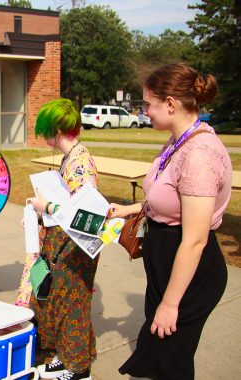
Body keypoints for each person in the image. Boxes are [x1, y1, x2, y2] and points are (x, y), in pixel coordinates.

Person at [111, 63, 231, 380]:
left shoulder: (199, 155)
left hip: (190, 272)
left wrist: (170, 304)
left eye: (148, 104)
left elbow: (194, 239)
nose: (145, 111)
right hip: (166, 263)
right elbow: (172, 197)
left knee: (170, 360)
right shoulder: (179, 142)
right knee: (156, 354)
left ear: (170, 103)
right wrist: (130, 209)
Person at [26, 99, 98, 380]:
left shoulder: (80, 164)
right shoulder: (72, 157)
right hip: (64, 242)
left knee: (73, 305)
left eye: (45, 131)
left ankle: (79, 369)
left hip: (75, 246)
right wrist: (39, 214)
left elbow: (86, 216)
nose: (43, 137)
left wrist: (47, 209)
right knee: (60, 302)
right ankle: (66, 356)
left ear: (57, 129)